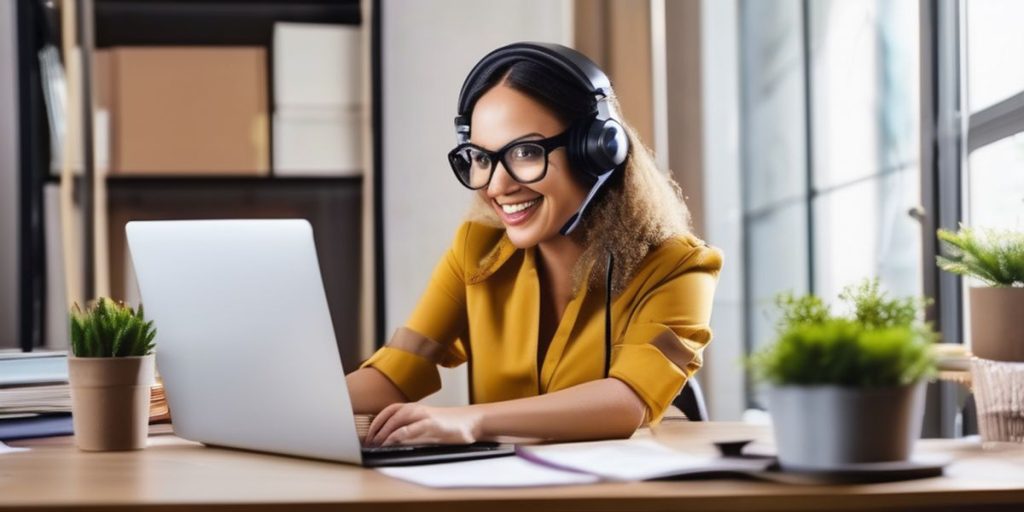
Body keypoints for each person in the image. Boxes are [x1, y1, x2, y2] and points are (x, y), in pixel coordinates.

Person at [347, 42, 722, 447]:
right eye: (481, 158)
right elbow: (397, 370)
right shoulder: (477, 249)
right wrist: (288, 411)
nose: (496, 185)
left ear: (596, 149)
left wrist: (471, 420)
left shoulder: (680, 266)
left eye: (526, 152)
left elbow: (626, 401)